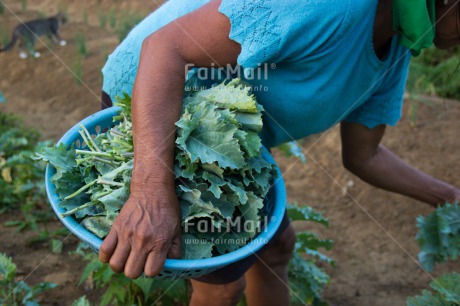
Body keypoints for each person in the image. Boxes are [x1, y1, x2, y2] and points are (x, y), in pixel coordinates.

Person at [98, 0, 460, 305]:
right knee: (223, 286)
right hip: (155, 104)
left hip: (222, 138)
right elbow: (165, 47)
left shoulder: (396, 50)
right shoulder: (328, 6)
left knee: (275, 249)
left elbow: (364, 156)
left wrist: (449, 197)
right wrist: (150, 192)